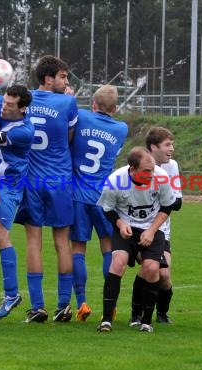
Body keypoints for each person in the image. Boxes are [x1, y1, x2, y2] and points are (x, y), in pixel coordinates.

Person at [14, 55, 78, 323]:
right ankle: (63, 306)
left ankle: (37, 306)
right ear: (48, 78)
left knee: (33, 242)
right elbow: (69, 138)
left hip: (31, 180)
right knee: (63, 243)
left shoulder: (23, 100)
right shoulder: (67, 102)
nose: (66, 82)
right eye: (62, 77)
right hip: (60, 180)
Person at [96, 147, 177, 333]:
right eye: (146, 171)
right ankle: (106, 320)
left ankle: (145, 322)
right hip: (127, 228)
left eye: (153, 169)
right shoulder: (115, 181)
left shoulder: (161, 177)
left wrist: (151, 231)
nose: (152, 174)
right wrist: (119, 223)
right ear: (132, 169)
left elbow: (167, 206)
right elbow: (107, 209)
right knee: (118, 262)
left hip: (153, 228)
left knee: (152, 268)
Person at [69, 85, 128, 322]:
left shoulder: (82, 117)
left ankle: (81, 302)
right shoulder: (122, 128)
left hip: (77, 195)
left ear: (93, 104)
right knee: (107, 248)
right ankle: (109, 305)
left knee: (78, 249)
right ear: (115, 108)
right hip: (104, 197)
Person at [0, 85, 34, 320]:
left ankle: (12, 295)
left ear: (22, 108)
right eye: (3, 102)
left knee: (1, 236)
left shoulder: (23, 130)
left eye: (10, 105)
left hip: (9, 186)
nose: (3, 107)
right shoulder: (0, 104)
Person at [129, 127, 183, 326]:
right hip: (137, 229)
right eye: (167, 145)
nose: (172, 149)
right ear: (153, 147)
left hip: (161, 230)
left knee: (165, 275)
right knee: (148, 268)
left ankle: (162, 313)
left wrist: (161, 192)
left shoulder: (171, 167)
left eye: (172, 144)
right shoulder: (136, 167)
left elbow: (177, 203)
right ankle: (136, 314)